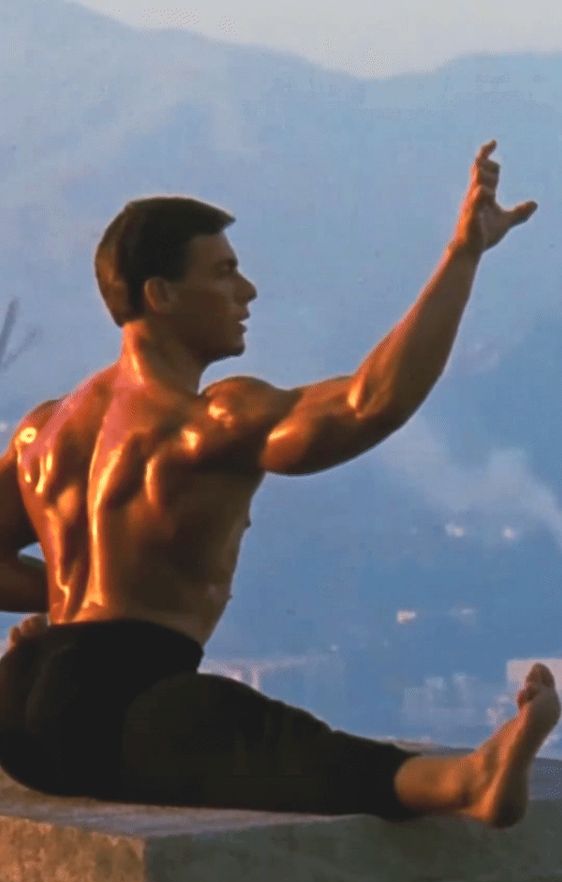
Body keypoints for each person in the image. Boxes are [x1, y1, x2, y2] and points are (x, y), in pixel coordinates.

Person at [0, 141, 558, 823]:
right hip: (123, 700)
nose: (247, 291)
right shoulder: (209, 420)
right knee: (258, 740)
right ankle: (462, 781)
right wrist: (463, 254)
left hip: (20, 704)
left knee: (204, 728)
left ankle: (466, 779)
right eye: (224, 272)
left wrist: (72, 601)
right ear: (161, 295)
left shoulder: (43, 431)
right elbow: (369, 403)